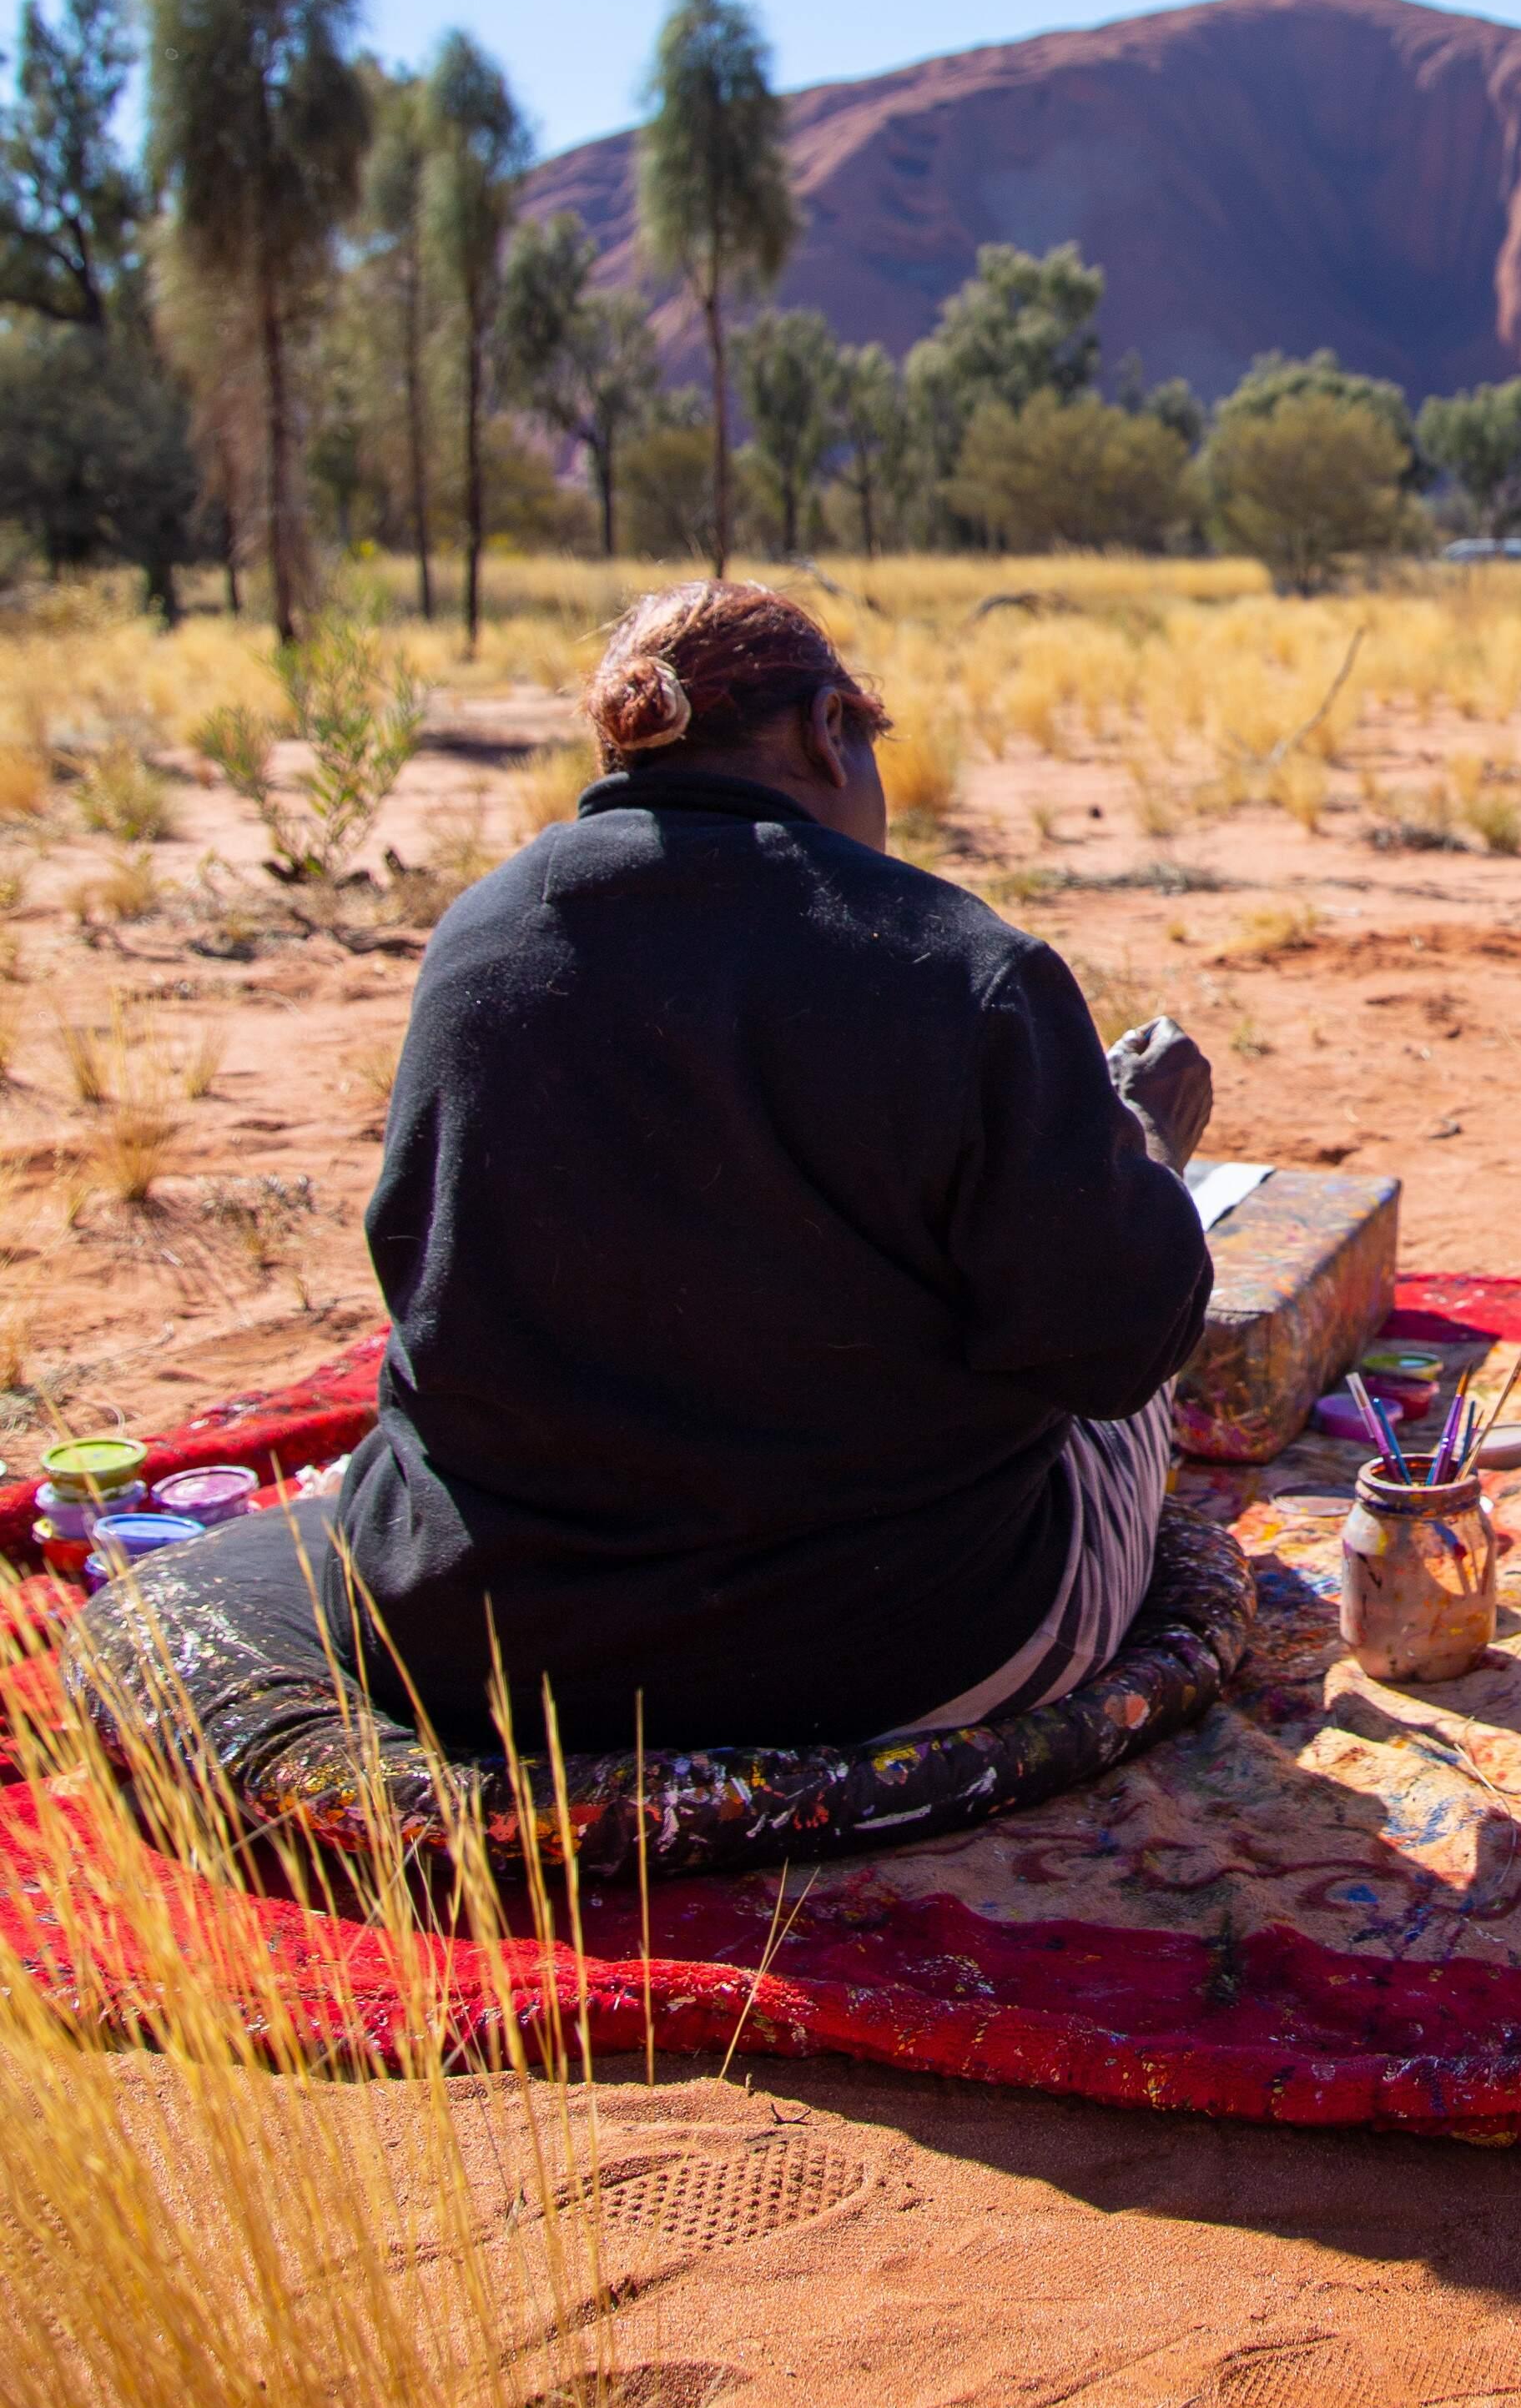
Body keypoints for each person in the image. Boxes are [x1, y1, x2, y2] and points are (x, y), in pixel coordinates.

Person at [308, 577, 1219, 1757]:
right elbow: (1113, 1343)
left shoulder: (478, 938)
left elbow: (415, 1268)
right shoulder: (957, 964)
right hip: (892, 1650)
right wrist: (1135, 1146)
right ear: (830, 728)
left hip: (479, 1647)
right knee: (1139, 1379)